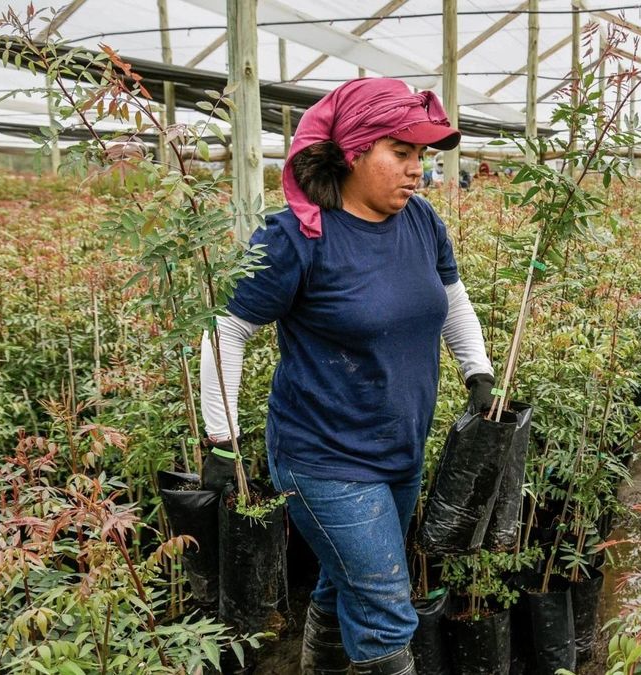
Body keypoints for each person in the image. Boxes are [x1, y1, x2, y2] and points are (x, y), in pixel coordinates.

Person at [199, 78, 495, 675]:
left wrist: (477, 370)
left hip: (400, 449)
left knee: (345, 584)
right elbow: (227, 330)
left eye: (421, 157)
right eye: (401, 153)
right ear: (354, 151)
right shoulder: (296, 237)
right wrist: (221, 439)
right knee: (386, 607)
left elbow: (453, 300)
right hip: (324, 457)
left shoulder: (422, 222)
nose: (417, 171)